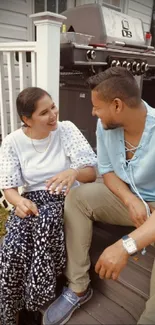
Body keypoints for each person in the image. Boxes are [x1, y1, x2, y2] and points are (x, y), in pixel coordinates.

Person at [43, 67, 155, 325]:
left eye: (97, 106)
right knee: (78, 197)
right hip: (128, 201)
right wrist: (128, 199)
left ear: (117, 105)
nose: (93, 112)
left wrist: (126, 244)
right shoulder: (106, 126)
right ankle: (79, 286)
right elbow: (106, 171)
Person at [0, 86, 97, 325]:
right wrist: (19, 202)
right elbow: (9, 187)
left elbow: (91, 173)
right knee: (12, 248)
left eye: (52, 107)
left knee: (45, 227)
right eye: (44, 113)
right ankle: (10, 314)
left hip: (67, 199)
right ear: (27, 119)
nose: (53, 114)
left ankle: (35, 303)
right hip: (32, 201)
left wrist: (73, 172)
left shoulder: (66, 130)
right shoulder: (13, 142)